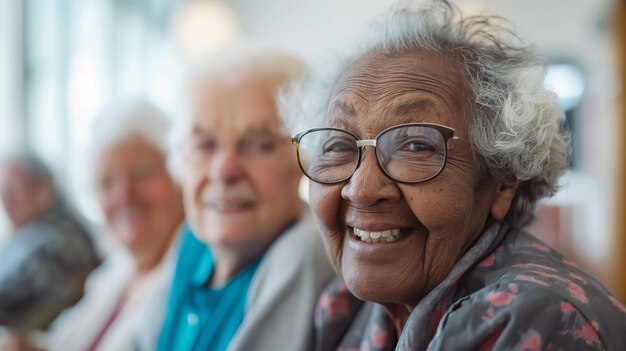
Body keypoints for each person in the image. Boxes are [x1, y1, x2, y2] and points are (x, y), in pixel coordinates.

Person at [283, 1, 626, 349]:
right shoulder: (344, 307)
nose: (362, 189)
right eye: (339, 146)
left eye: (416, 146)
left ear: (504, 179)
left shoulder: (534, 318)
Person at [158, 47, 335, 351]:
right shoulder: (192, 241)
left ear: (305, 160)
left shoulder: (302, 256)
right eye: (204, 145)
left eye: (260, 145)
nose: (224, 170)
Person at [46, 100, 185, 351]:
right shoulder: (116, 270)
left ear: (180, 174)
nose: (124, 195)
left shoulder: (198, 275)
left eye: (141, 174)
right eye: (107, 183)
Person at [0, 152, 100, 348]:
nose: (6, 200)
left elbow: (13, 308)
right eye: (2, 190)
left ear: (45, 187)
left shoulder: (64, 241)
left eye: (15, 188)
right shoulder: (27, 232)